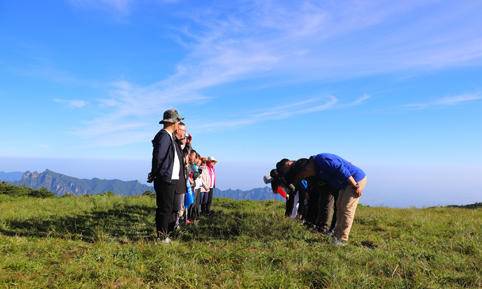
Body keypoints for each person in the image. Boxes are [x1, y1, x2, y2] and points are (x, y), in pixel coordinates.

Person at [285, 154, 367, 246]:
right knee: (340, 207)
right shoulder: (316, 169)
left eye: (304, 174)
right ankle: (336, 236)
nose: (306, 176)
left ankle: (342, 239)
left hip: (355, 179)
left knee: (346, 208)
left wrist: (355, 186)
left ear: (306, 168)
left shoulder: (322, 160)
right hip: (344, 183)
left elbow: (341, 169)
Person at [148, 109, 185, 244]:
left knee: (168, 208)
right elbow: (159, 157)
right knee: (165, 208)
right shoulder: (164, 136)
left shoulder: (169, 136)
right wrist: (158, 174)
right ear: (173, 122)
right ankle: (162, 237)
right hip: (165, 178)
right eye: (178, 121)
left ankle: (164, 235)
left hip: (170, 178)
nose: (178, 124)